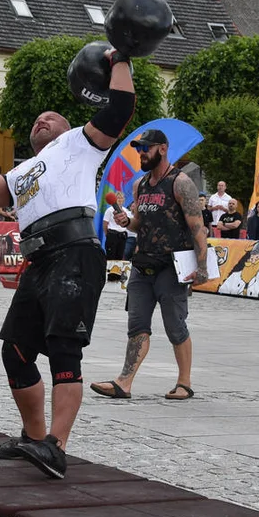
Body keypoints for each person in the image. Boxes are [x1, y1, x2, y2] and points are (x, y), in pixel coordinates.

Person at [0, 45, 137, 479]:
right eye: (37, 119)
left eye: (51, 117)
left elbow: (120, 108)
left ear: (71, 125)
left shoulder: (80, 145)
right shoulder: (23, 171)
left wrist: (122, 57)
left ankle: (57, 444)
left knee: (63, 349)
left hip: (75, 251)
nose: (41, 120)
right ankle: (33, 438)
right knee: (15, 351)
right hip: (39, 259)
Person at [90, 128, 209, 402]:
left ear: (163, 149)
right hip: (142, 266)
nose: (141, 154)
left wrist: (201, 269)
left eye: (146, 148)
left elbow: (198, 228)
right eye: (139, 149)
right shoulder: (139, 186)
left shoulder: (180, 183)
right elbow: (138, 223)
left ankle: (185, 383)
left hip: (171, 266)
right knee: (137, 326)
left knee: (175, 326)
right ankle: (125, 382)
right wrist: (126, 222)